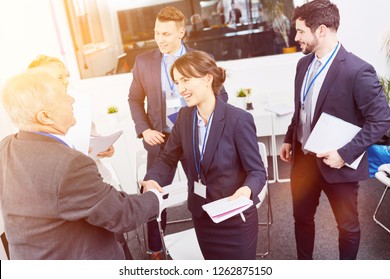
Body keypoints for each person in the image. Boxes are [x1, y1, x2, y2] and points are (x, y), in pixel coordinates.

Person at [0, 69, 163, 259]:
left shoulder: (6, 146)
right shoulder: (68, 163)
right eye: (63, 97)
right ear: (45, 117)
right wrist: (153, 195)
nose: (72, 100)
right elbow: (122, 214)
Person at [279, 0, 390, 260]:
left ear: (321, 31)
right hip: (303, 161)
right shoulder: (303, 66)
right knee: (301, 220)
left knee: (347, 227)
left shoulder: (357, 70)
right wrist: (288, 138)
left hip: (338, 163)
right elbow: (302, 108)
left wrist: (344, 153)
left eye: (300, 31)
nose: (296, 38)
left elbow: (382, 120)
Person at [140, 50, 267, 260]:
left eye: (185, 80)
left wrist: (246, 190)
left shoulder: (238, 119)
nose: (180, 89)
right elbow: (168, 158)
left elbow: (257, 171)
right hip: (202, 216)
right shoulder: (184, 117)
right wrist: (152, 179)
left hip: (234, 218)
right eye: (177, 82)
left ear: (207, 78)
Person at [128, 6, 228, 260]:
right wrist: (144, 129)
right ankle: (155, 248)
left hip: (195, 136)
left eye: (166, 34)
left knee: (205, 187)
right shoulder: (143, 62)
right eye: (156, 33)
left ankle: (213, 236)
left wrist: (208, 123)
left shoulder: (201, 57)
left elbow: (220, 95)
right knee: (154, 191)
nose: (159, 39)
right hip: (160, 138)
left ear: (181, 32)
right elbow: (134, 99)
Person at [28, 55, 116, 183]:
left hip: (98, 177)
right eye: (59, 78)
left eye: (65, 76)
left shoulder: (77, 104)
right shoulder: (35, 118)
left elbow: (91, 136)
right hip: (72, 184)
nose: (66, 81)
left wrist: (104, 147)